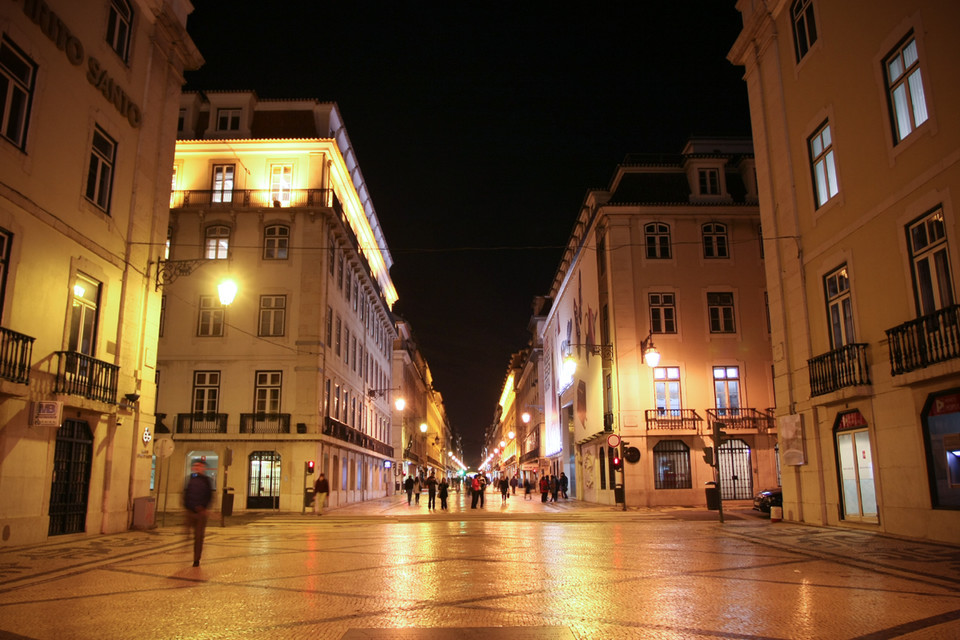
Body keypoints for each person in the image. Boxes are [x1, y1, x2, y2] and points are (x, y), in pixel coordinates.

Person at [183, 459, 212, 567]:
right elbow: (185, 493)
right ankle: (184, 548)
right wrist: (186, 506)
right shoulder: (190, 479)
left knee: (199, 537)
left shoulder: (206, 481)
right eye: (195, 466)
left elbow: (209, 496)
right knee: (186, 533)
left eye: (199, 466)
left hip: (200, 512)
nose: (196, 467)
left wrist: (204, 507)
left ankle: (196, 559)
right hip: (190, 511)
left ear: (203, 467)